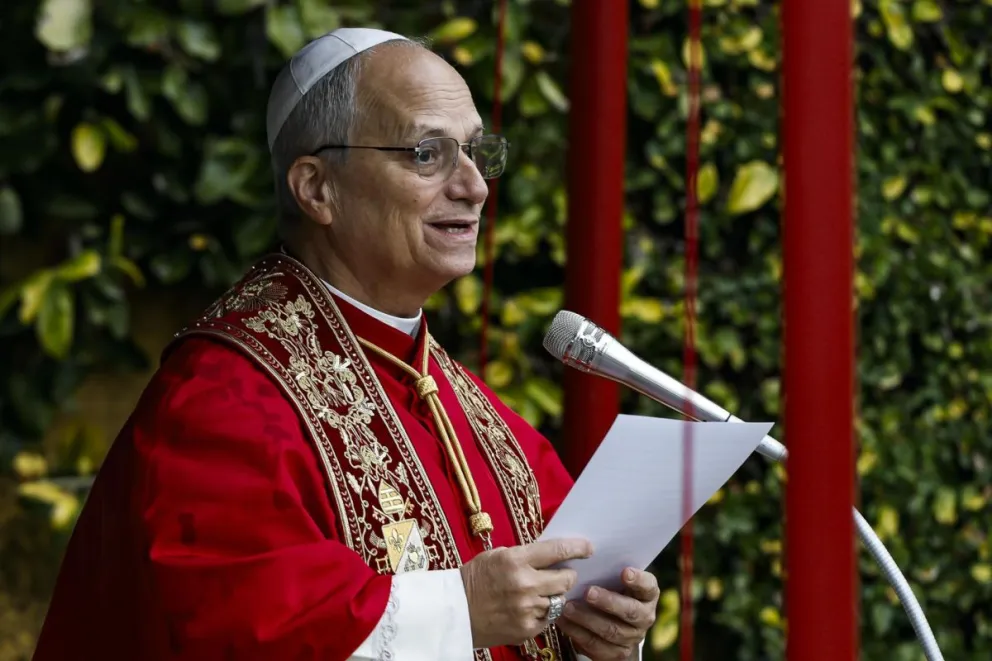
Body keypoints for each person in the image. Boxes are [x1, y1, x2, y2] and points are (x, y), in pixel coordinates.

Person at [32, 28, 659, 661]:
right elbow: (242, 631)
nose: (475, 186)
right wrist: (460, 611)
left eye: (475, 152)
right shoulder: (222, 400)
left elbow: (563, 588)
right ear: (316, 188)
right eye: (427, 154)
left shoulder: (469, 408)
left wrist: (599, 636)